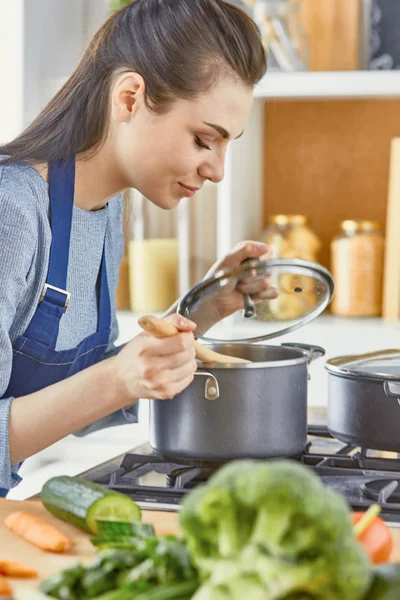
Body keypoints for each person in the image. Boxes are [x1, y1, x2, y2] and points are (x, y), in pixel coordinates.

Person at [0, 0, 276, 495]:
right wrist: (119, 380)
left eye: (227, 144)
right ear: (129, 98)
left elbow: (80, 396)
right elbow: (108, 383)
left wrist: (203, 307)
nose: (218, 170)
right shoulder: (12, 212)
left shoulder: (105, 211)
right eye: (202, 140)